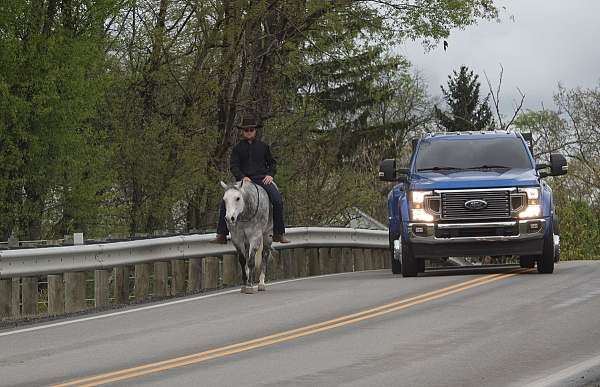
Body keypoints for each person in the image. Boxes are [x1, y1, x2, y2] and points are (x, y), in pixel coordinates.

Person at [212, 117, 291, 244]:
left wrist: (270, 174)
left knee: (277, 200)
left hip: (261, 178)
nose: (249, 132)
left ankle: (278, 233)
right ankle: (221, 233)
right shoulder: (237, 148)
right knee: (226, 200)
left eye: (251, 130)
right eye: (246, 130)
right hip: (243, 181)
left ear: (255, 131)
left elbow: (272, 163)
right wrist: (242, 176)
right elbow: (234, 166)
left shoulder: (263, 147)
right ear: (242, 132)